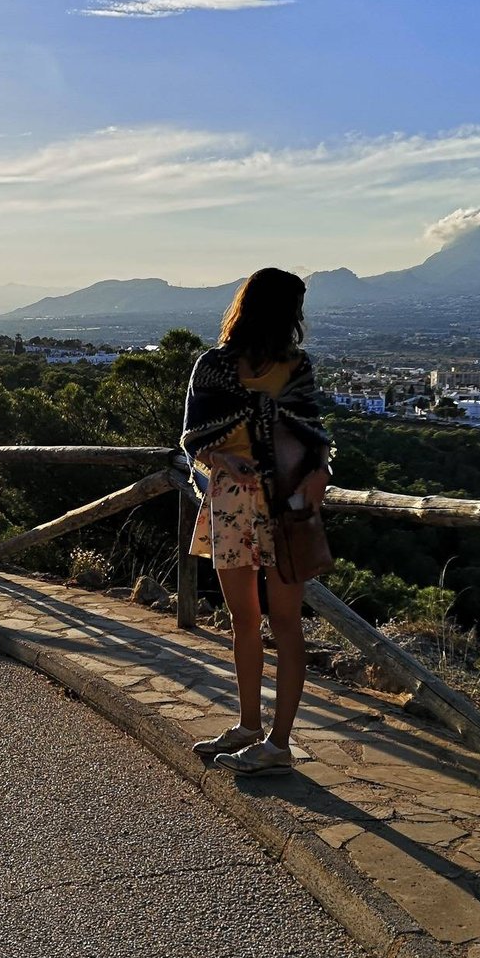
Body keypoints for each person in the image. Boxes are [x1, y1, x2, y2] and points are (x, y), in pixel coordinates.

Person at [179, 268, 333, 775]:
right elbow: (195, 438)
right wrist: (225, 462)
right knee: (246, 620)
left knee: (283, 622)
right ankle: (249, 727)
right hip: (231, 500)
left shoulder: (297, 369)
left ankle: (279, 742)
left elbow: (313, 437)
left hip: (281, 506)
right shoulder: (214, 367)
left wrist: (320, 472)